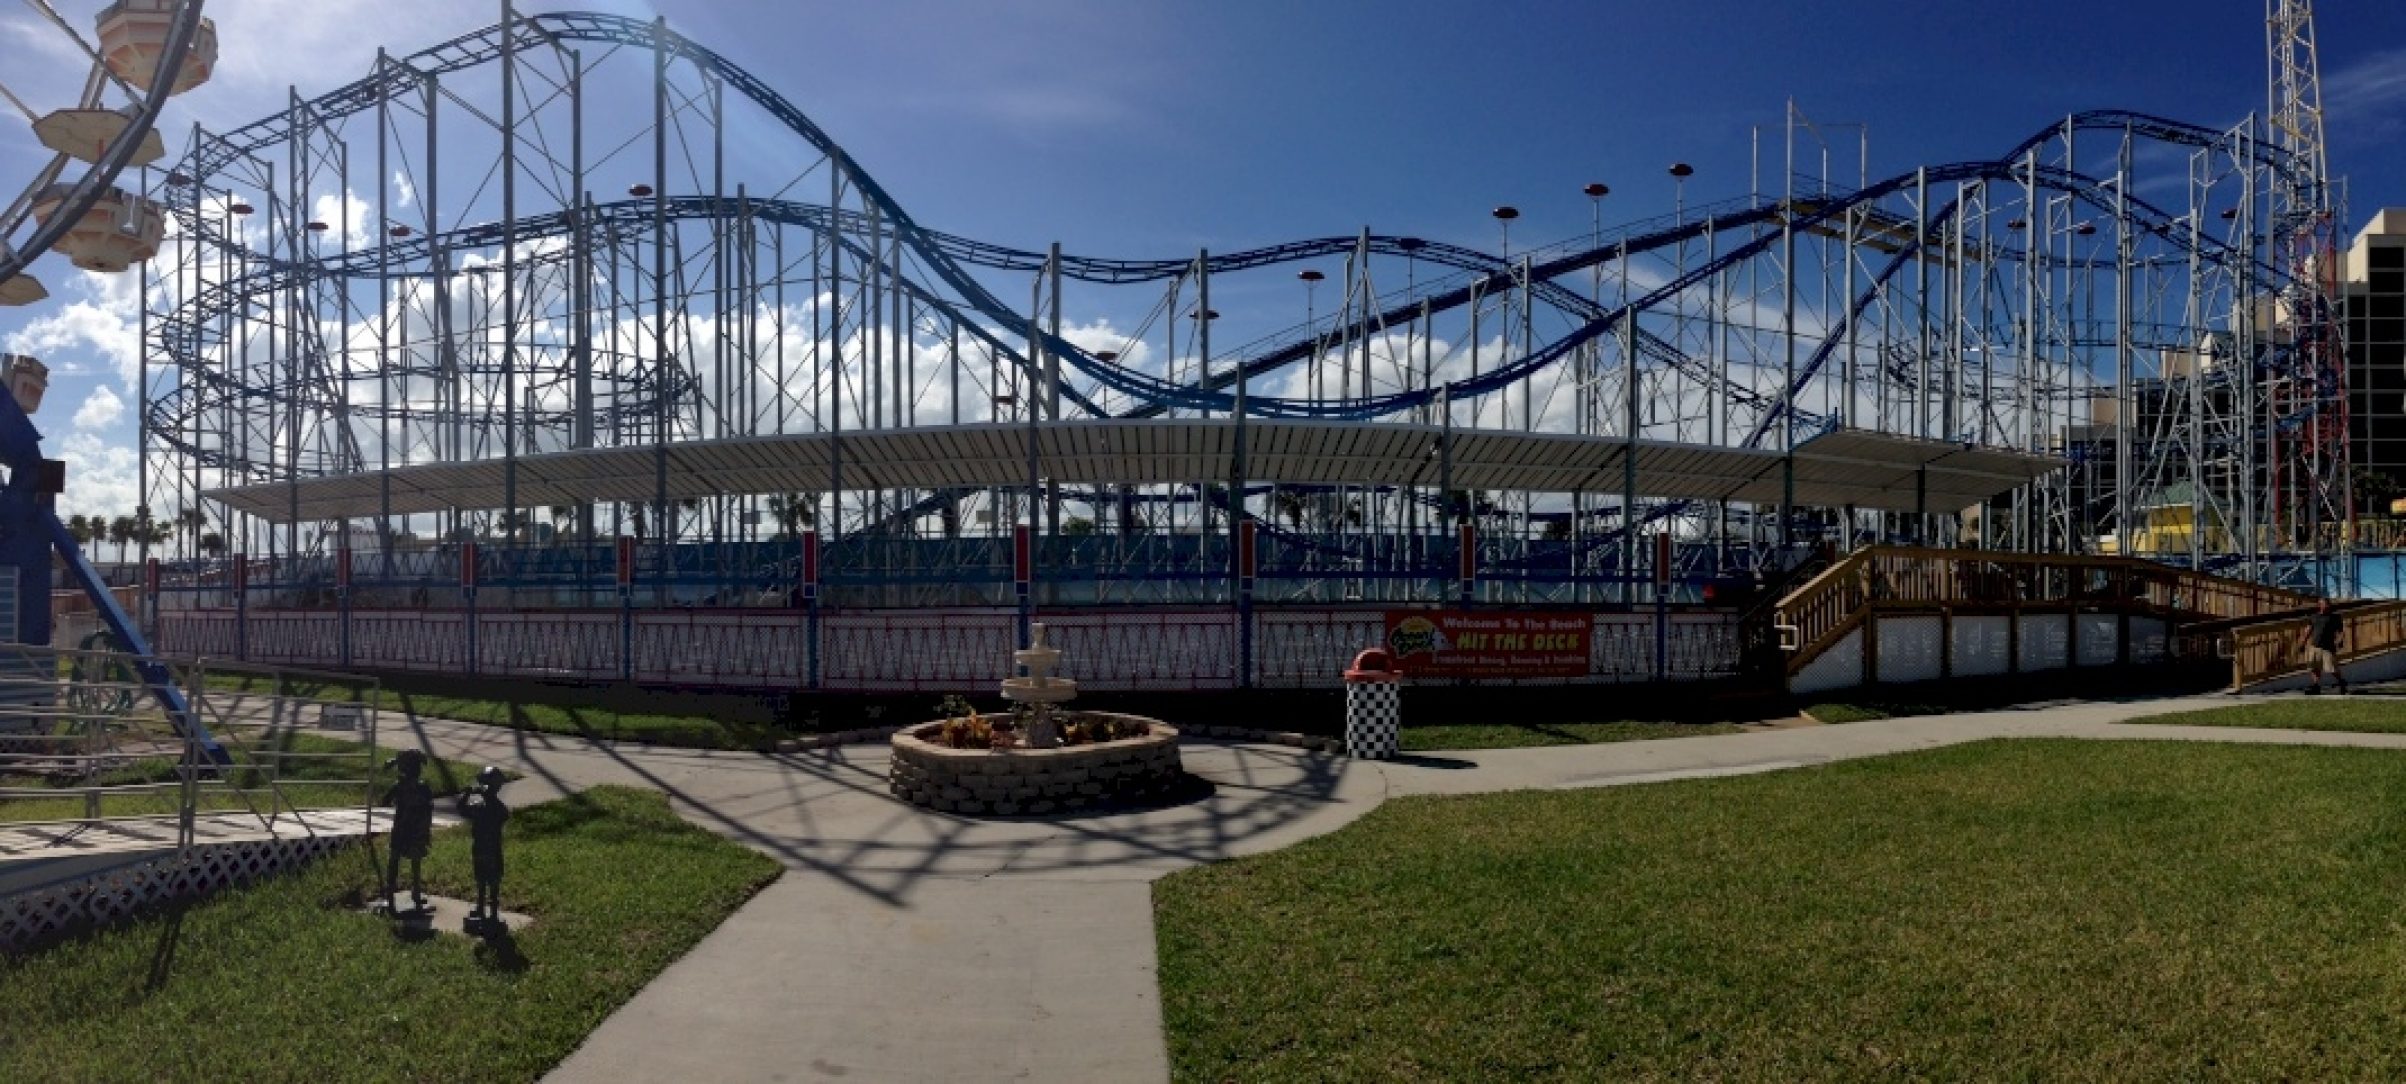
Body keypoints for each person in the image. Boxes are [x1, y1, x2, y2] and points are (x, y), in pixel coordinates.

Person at [381, 750, 435, 914]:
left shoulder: (399, 787)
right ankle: (416, 893)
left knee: (394, 861)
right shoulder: (423, 788)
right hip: (416, 830)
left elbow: (385, 801)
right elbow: (429, 809)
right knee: (415, 863)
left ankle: (390, 895)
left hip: (400, 829)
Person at [457, 766, 511, 926]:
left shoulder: (488, 807)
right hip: (486, 848)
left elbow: (462, 808)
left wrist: (469, 794)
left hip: (488, 848)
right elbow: (462, 809)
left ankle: (491, 911)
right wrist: (472, 794)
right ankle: (482, 909)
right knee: (483, 880)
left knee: (490, 881)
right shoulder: (493, 807)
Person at [2302, 598, 2348, 695]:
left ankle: (2341, 682)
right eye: (2325, 604)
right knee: (2314, 668)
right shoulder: (2314, 617)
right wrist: (2303, 643)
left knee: (2332, 668)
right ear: (2320, 605)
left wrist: (2340, 640)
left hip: (2328, 647)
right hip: (2315, 646)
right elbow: (2308, 630)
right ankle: (2315, 686)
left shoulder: (2334, 617)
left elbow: (2341, 631)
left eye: (2328, 604)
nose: (2327, 606)